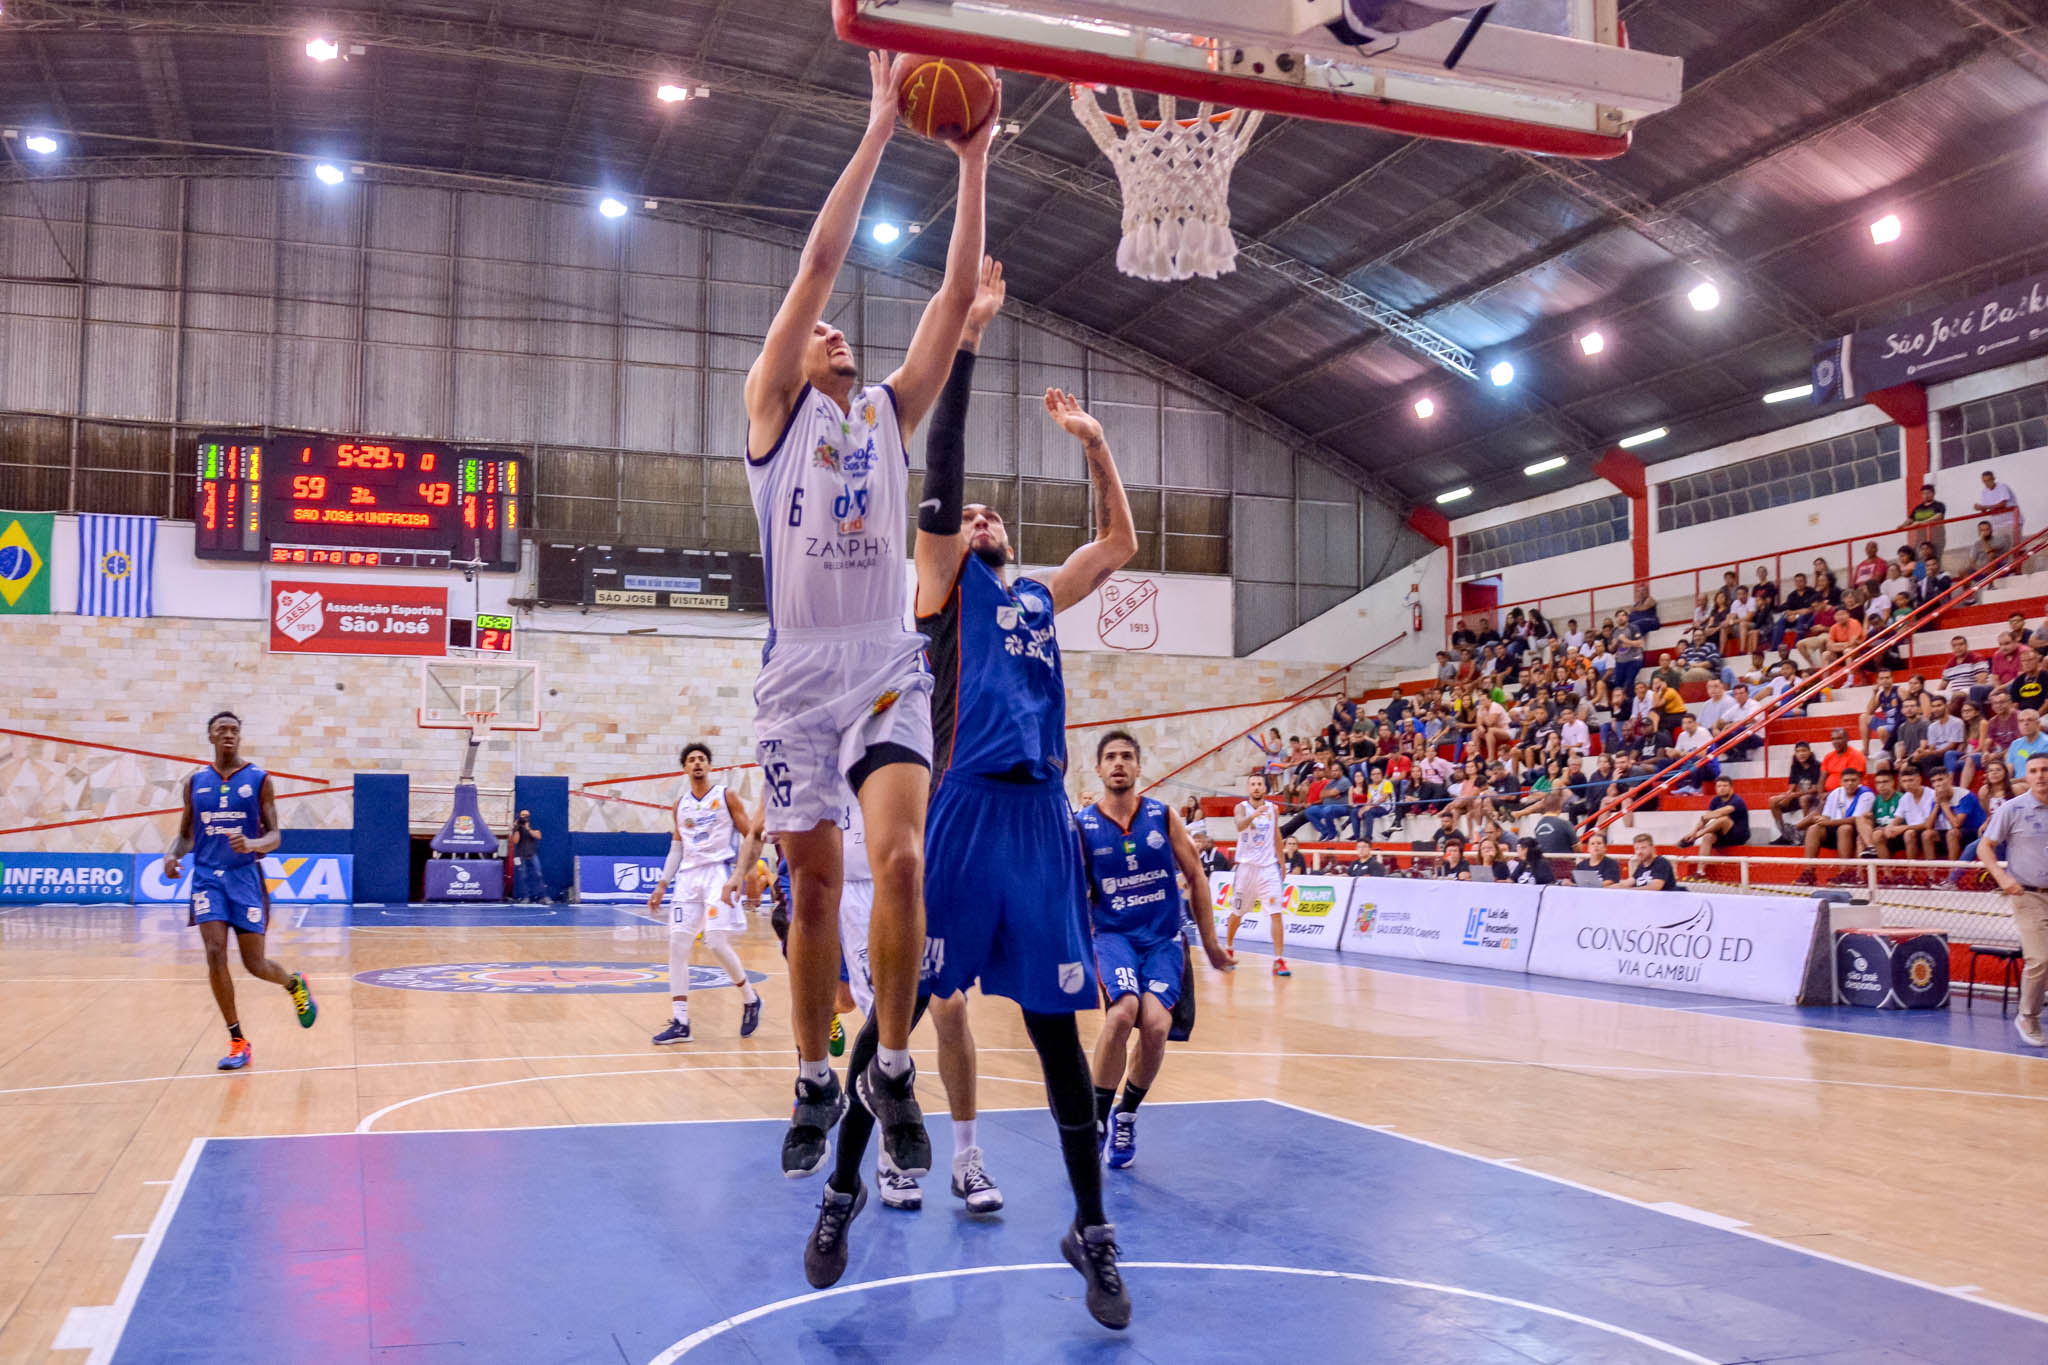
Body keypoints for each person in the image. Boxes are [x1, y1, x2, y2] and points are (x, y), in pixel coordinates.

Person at [807, 304, 1137, 1328]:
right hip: (957, 812)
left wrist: (1096, 445)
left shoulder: (1035, 597)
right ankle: (840, 1190)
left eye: (994, 517)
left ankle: (1088, 1230)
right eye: (972, 516)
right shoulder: (938, 589)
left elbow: (1118, 540)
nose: (981, 519)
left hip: (1039, 825)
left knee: (1052, 1036)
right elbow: (941, 478)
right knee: (892, 1018)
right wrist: (965, 343)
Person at [747, 56, 994, 1178]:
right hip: (797, 670)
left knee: (898, 864)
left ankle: (887, 1065)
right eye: (821, 332)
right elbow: (816, 261)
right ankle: (810, 1074)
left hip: (884, 661)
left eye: (844, 332)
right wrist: (877, 128)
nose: (834, 332)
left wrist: (974, 157)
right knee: (813, 883)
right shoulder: (771, 419)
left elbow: (948, 306)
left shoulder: (889, 414)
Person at [1081, 732, 1233, 1172]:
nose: (1118, 763)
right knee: (1122, 1011)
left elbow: (1197, 878)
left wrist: (1209, 943)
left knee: (1156, 1026)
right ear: (1098, 769)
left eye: (1127, 756)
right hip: (1112, 937)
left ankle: (1125, 1113)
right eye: (1110, 757)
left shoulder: (1162, 816)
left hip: (1163, 939)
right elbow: (1069, 889)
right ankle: (1096, 1117)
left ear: (1138, 767)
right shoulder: (1084, 825)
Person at [162, 711, 317, 1071]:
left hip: (244, 878)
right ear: (211, 737)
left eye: (234, 730)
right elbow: (186, 834)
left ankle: (294, 984)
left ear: (240, 736)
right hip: (206, 879)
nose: (228, 734)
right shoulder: (195, 782)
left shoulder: (259, 780)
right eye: (221, 730)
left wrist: (253, 843)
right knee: (215, 952)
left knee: (255, 964)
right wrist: (172, 855)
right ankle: (237, 1040)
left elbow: (276, 836)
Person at [645, 743, 763, 1044]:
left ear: (709, 766)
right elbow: (677, 846)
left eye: (701, 759)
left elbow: (751, 835)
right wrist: (662, 884)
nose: (697, 763)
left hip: (717, 875)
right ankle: (681, 1021)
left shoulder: (726, 796)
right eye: (691, 760)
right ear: (684, 768)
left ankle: (750, 998)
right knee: (677, 945)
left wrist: (746, 874)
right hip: (688, 878)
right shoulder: (680, 804)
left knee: (714, 941)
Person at [1975, 751, 2048, 1047]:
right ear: (2026, 776)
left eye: (2045, 769)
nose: (2041, 775)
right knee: (2041, 958)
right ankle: (2027, 1016)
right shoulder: (2013, 809)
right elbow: (1985, 847)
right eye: (2034, 771)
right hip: (2028, 894)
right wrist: (2003, 879)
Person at [1227, 771, 1289, 976]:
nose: (1256, 787)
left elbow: (1276, 835)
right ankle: (1228, 948)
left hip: (1268, 868)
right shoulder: (1241, 807)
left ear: (1265, 788)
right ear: (1248, 788)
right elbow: (1238, 825)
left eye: (1259, 784)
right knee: (1238, 913)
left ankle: (1278, 960)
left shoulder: (1273, 809)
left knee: (1276, 912)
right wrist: (1253, 815)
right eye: (1252, 784)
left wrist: (1282, 861)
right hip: (1246, 868)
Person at [1797, 767, 1874, 879]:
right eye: (1846, 780)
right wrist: (1820, 820)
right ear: (1841, 782)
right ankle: (1809, 873)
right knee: (1814, 828)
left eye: (1853, 780)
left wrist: (1828, 822)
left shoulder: (1866, 794)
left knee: (1845, 828)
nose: (1850, 783)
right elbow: (1826, 816)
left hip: (1854, 831)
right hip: (1834, 827)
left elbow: (1856, 819)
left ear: (1859, 781)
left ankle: (1845, 873)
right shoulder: (1835, 793)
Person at [1679, 774, 1749, 877]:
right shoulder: (1716, 800)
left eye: (1725, 786)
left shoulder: (1737, 800)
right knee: (1708, 836)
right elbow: (1706, 818)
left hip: (1738, 835)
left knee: (1723, 819)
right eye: (1719, 786)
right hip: (1723, 835)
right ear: (1716, 788)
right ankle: (1700, 872)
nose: (1722, 788)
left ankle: (1695, 837)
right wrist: (1693, 831)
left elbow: (1721, 813)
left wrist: (1697, 833)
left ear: (1731, 788)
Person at [1974, 467, 2023, 550]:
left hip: (2011, 522)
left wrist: (1985, 507)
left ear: (1993, 479)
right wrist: (1978, 507)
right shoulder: (1984, 492)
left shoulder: (2002, 487)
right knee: (2002, 550)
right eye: (1985, 481)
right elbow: (1985, 508)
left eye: (1989, 480)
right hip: (1997, 525)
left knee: (2016, 548)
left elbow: (2002, 504)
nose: (1987, 483)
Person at [511, 808, 549, 903]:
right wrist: (516, 828)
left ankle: (543, 896)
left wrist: (527, 828)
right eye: (522, 815)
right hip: (521, 854)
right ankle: (526, 897)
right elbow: (515, 841)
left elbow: (538, 836)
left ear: (529, 817)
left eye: (526, 815)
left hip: (532, 853)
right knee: (523, 876)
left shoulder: (533, 826)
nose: (524, 817)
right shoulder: (518, 827)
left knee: (538, 874)